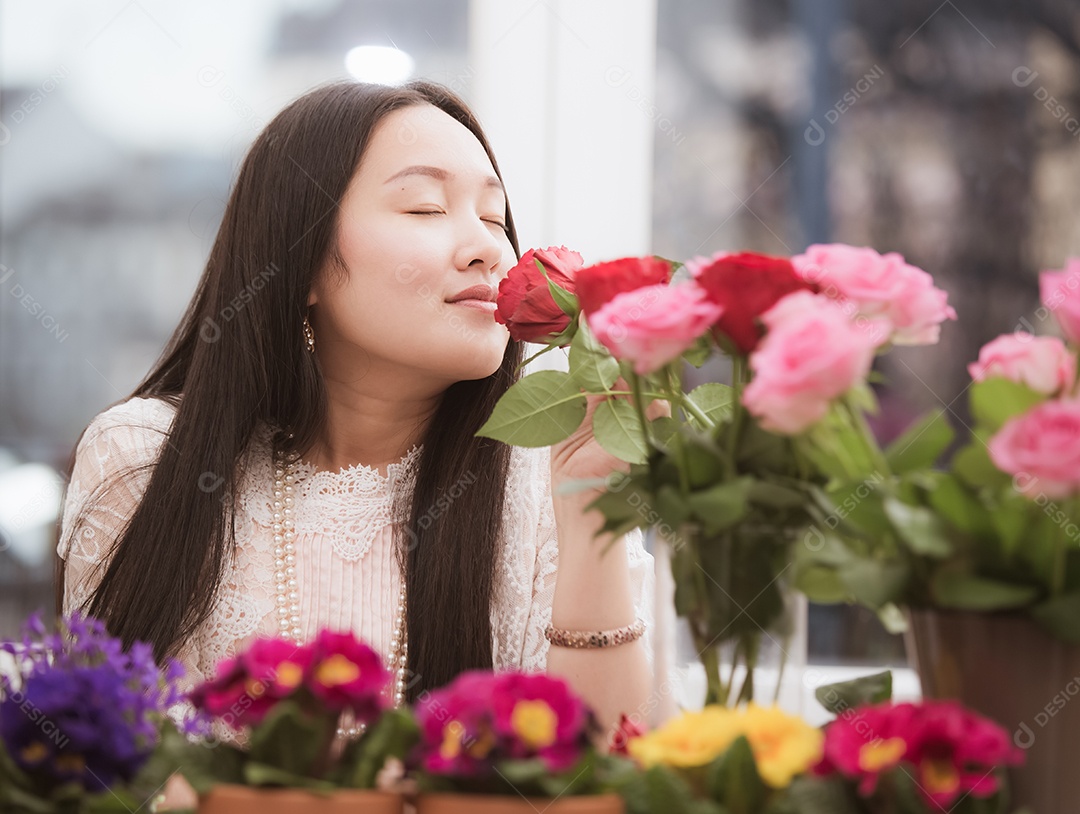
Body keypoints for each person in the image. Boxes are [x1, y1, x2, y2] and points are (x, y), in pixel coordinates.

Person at [55, 79, 655, 746]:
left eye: (494, 217)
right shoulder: (145, 459)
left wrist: (593, 516)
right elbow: (97, 766)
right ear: (301, 260)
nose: (490, 249)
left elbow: (608, 775)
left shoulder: (557, 477)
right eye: (425, 208)